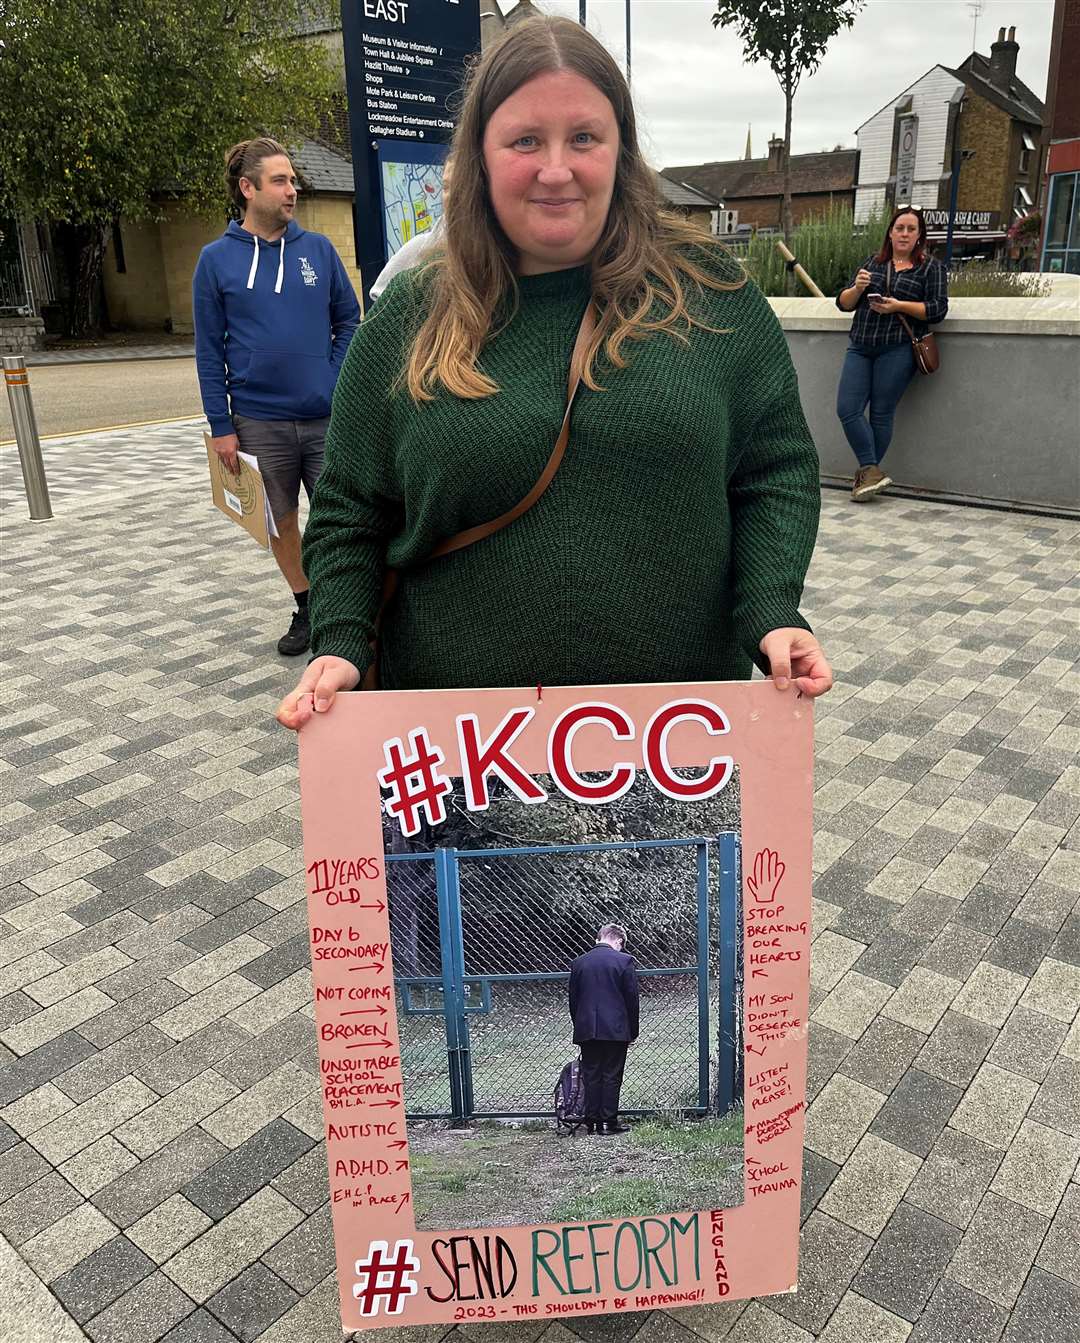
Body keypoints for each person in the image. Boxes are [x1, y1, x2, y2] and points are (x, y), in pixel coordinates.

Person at [276, 14, 832, 729]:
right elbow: (350, 508)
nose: (556, 169)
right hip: (461, 760)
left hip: (675, 754)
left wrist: (770, 608)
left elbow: (774, 469)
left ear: (622, 151)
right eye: (526, 140)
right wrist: (343, 640)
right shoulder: (412, 315)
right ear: (481, 154)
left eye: (584, 138)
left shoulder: (711, 294)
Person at [193, 138, 360, 656]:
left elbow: (349, 321)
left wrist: (332, 383)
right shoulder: (215, 261)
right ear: (248, 188)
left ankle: (350, 609)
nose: (293, 191)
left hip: (324, 418)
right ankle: (308, 606)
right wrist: (221, 426)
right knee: (280, 520)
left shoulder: (318, 251)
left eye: (294, 181)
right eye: (281, 181)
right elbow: (207, 351)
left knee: (344, 516)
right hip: (258, 421)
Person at [835, 207, 949, 502]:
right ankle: (871, 471)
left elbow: (937, 309)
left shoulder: (930, 268)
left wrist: (899, 305)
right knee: (847, 408)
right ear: (890, 232)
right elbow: (844, 304)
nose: (905, 234)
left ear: (920, 235)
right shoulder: (873, 262)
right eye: (900, 228)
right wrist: (858, 289)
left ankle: (867, 476)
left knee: (882, 413)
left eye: (911, 229)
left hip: (898, 347)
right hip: (860, 344)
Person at [568, 924, 640, 1135]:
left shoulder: (579, 963)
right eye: (622, 945)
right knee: (612, 1074)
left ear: (598, 938)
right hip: (616, 1029)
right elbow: (631, 1001)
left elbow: (573, 1000)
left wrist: (579, 1024)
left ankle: (590, 1121)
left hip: (586, 1028)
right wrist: (632, 1032)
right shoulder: (624, 961)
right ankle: (608, 1123)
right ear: (618, 940)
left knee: (591, 1074)